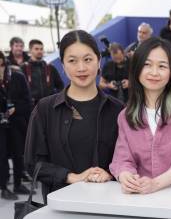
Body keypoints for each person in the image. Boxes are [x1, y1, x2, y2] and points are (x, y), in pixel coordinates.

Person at [24, 30, 123, 201]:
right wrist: (71, 177)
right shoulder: (45, 109)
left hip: (108, 209)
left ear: (99, 61)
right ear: (62, 65)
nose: (81, 68)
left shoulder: (118, 110)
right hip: (61, 211)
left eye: (88, 59)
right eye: (72, 61)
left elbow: (127, 159)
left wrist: (111, 173)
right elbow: (33, 163)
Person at [110, 37, 171, 194]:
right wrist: (126, 177)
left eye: (162, 66)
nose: (154, 72)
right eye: (147, 65)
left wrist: (155, 184)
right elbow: (123, 159)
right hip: (139, 198)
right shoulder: (126, 116)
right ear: (137, 69)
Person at [0, 51, 31, 199]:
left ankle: (18, 183)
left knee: (19, 154)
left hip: (16, 123)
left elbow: (28, 101)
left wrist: (15, 108)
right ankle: (4, 187)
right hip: (1, 126)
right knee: (2, 155)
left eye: (1, 65)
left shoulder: (18, 77)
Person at [21, 39, 64, 106]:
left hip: (49, 105)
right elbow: (19, 91)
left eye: (41, 49)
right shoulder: (23, 68)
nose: (39, 51)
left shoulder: (50, 68)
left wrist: (55, 99)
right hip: (31, 107)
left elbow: (60, 86)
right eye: (36, 49)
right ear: (30, 50)